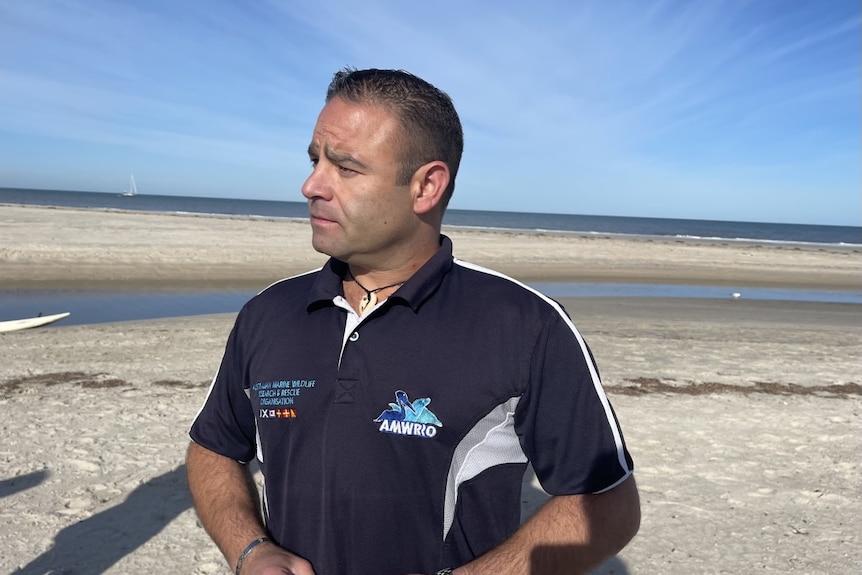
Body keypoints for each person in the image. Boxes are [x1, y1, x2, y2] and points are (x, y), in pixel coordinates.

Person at [186, 67, 640, 575]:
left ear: (426, 186)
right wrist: (251, 551)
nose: (311, 185)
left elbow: (607, 502)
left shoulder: (524, 327)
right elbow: (213, 447)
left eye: (346, 168)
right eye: (315, 160)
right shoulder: (268, 314)